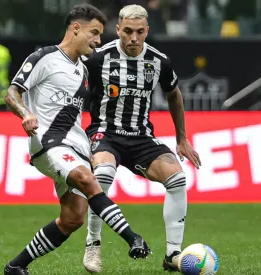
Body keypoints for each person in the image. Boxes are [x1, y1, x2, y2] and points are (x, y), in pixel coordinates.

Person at [3, 4, 150, 275]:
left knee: (72, 219)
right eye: (94, 33)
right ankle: (133, 238)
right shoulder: (44, 57)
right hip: (49, 143)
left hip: (77, 147)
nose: (98, 40)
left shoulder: (84, 69)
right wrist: (25, 113)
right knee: (87, 180)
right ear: (75, 28)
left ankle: (16, 266)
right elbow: (12, 93)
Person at [82, 4, 201, 273]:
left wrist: (181, 138)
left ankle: (173, 254)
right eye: (127, 32)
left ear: (147, 31)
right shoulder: (98, 58)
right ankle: (93, 245)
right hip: (105, 132)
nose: (133, 38)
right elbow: (77, 93)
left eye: (139, 32)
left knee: (178, 178)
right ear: (117, 30)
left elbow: (174, 94)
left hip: (141, 137)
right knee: (102, 175)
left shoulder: (159, 61)